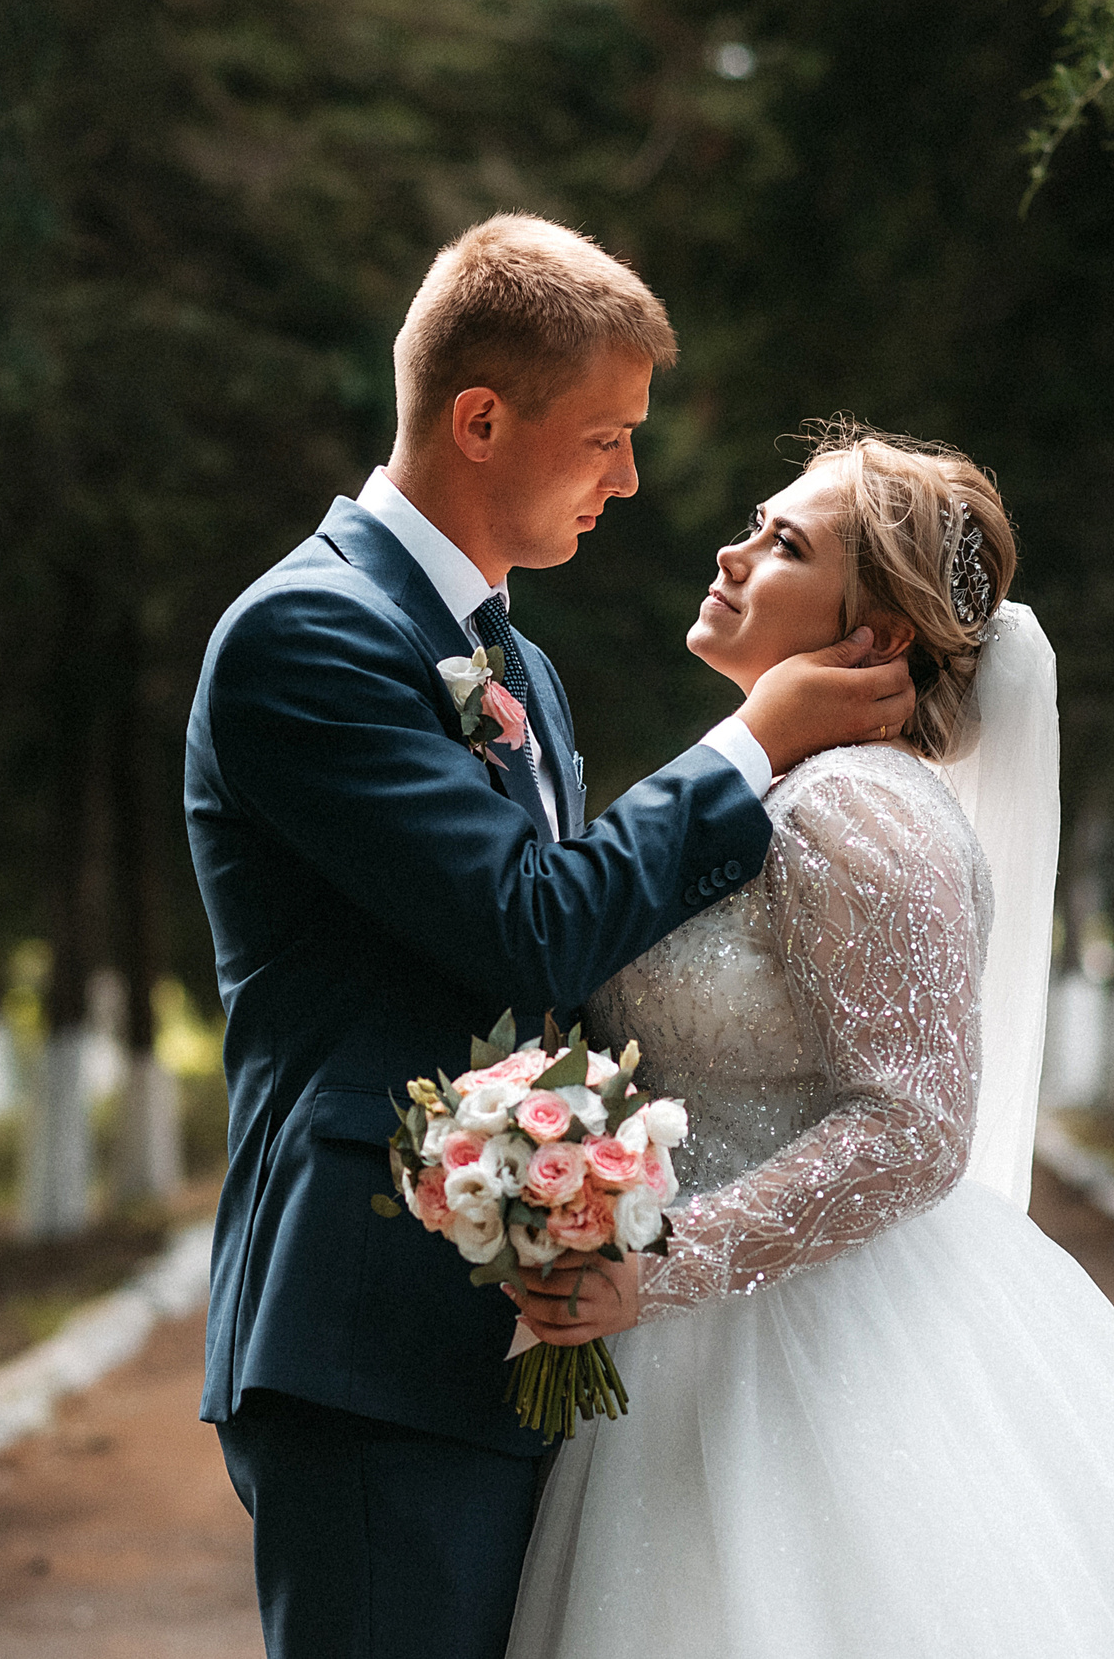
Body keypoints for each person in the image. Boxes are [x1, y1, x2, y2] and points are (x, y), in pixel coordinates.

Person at [183, 216, 914, 1659]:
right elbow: (527, 924)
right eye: (604, 438)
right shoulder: (305, 638)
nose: (632, 479)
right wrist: (751, 745)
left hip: (524, 1323)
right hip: (370, 1330)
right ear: (478, 419)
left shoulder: (519, 664)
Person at [504, 424, 1114, 1658]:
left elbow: (914, 1125)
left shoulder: (857, 810)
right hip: (696, 1340)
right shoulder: (780, 789)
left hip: (803, 1344)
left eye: (783, 543)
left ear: (878, 634)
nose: (732, 553)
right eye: (755, 521)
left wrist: (663, 1262)